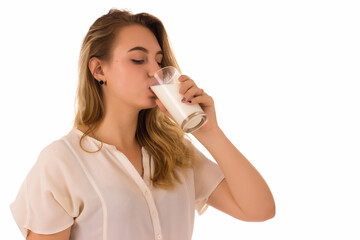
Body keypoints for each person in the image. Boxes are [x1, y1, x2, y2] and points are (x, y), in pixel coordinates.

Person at [10, 8, 275, 240]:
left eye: (159, 61)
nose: (154, 71)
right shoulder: (61, 162)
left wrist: (210, 133)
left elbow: (260, 210)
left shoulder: (175, 153)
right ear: (99, 70)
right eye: (138, 59)